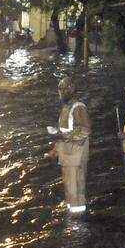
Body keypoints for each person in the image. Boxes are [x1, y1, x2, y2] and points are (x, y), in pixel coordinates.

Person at [46, 76, 90, 214]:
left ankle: (78, 222)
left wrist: (63, 136)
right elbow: (64, 131)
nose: (61, 92)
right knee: (70, 189)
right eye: (59, 89)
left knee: (76, 189)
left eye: (64, 89)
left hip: (75, 156)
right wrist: (56, 150)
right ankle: (73, 217)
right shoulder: (66, 108)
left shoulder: (78, 108)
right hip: (68, 156)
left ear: (71, 89)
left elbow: (85, 130)